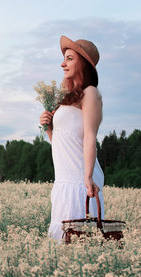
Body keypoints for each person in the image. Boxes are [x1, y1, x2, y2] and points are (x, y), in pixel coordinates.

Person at [39, 36, 105, 241]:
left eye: (69, 59)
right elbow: (60, 142)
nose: (62, 63)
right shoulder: (65, 98)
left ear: (82, 63)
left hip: (79, 180)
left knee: (78, 242)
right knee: (62, 241)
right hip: (63, 180)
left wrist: (87, 178)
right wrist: (47, 125)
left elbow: (89, 137)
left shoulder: (90, 93)